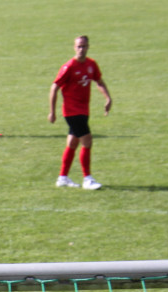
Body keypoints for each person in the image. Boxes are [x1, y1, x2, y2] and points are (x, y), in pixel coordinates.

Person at [49, 35, 112, 190]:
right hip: (71, 111)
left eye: (84, 46)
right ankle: (87, 179)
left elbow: (99, 81)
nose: (81, 49)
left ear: (88, 47)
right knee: (88, 141)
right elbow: (54, 87)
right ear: (74, 47)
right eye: (78, 46)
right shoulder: (69, 67)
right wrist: (52, 112)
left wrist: (108, 98)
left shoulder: (91, 64)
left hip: (84, 110)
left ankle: (62, 177)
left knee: (73, 142)